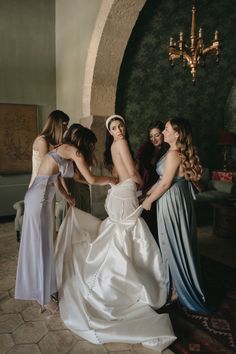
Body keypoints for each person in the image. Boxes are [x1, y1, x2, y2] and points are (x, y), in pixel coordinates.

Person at [55, 115, 176, 351]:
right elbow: (132, 172)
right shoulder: (120, 144)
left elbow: (121, 173)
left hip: (120, 192)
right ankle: (122, 284)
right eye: (114, 127)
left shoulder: (114, 145)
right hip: (126, 192)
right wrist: (142, 184)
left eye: (121, 126)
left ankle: (124, 278)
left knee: (125, 236)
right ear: (110, 131)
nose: (119, 130)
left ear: (124, 127)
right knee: (128, 235)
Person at [15, 126, 116, 314]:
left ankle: (44, 290)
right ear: (84, 142)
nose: (91, 150)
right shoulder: (74, 151)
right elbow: (91, 179)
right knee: (41, 246)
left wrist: (66, 195)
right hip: (40, 199)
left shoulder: (63, 148)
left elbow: (66, 177)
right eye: (91, 146)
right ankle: (43, 297)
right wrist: (112, 180)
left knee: (43, 246)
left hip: (38, 196)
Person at [142, 117, 210, 314]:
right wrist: (146, 194)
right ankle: (174, 288)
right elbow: (163, 180)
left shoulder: (173, 154)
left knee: (172, 242)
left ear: (177, 134)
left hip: (172, 200)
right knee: (173, 241)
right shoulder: (172, 152)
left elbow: (165, 184)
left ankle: (177, 290)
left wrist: (149, 201)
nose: (163, 133)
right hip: (175, 198)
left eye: (166, 129)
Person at [136, 120, 169, 238]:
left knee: (157, 221)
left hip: (161, 188)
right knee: (145, 219)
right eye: (151, 136)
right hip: (147, 186)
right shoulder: (145, 149)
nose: (154, 139)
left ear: (163, 134)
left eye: (157, 135)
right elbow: (139, 169)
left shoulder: (168, 150)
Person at [29, 109, 70, 187]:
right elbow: (47, 167)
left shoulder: (52, 143)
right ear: (57, 125)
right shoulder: (42, 141)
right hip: (38, 186)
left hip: (49, 185)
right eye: (65, 125)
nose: (67, 128)